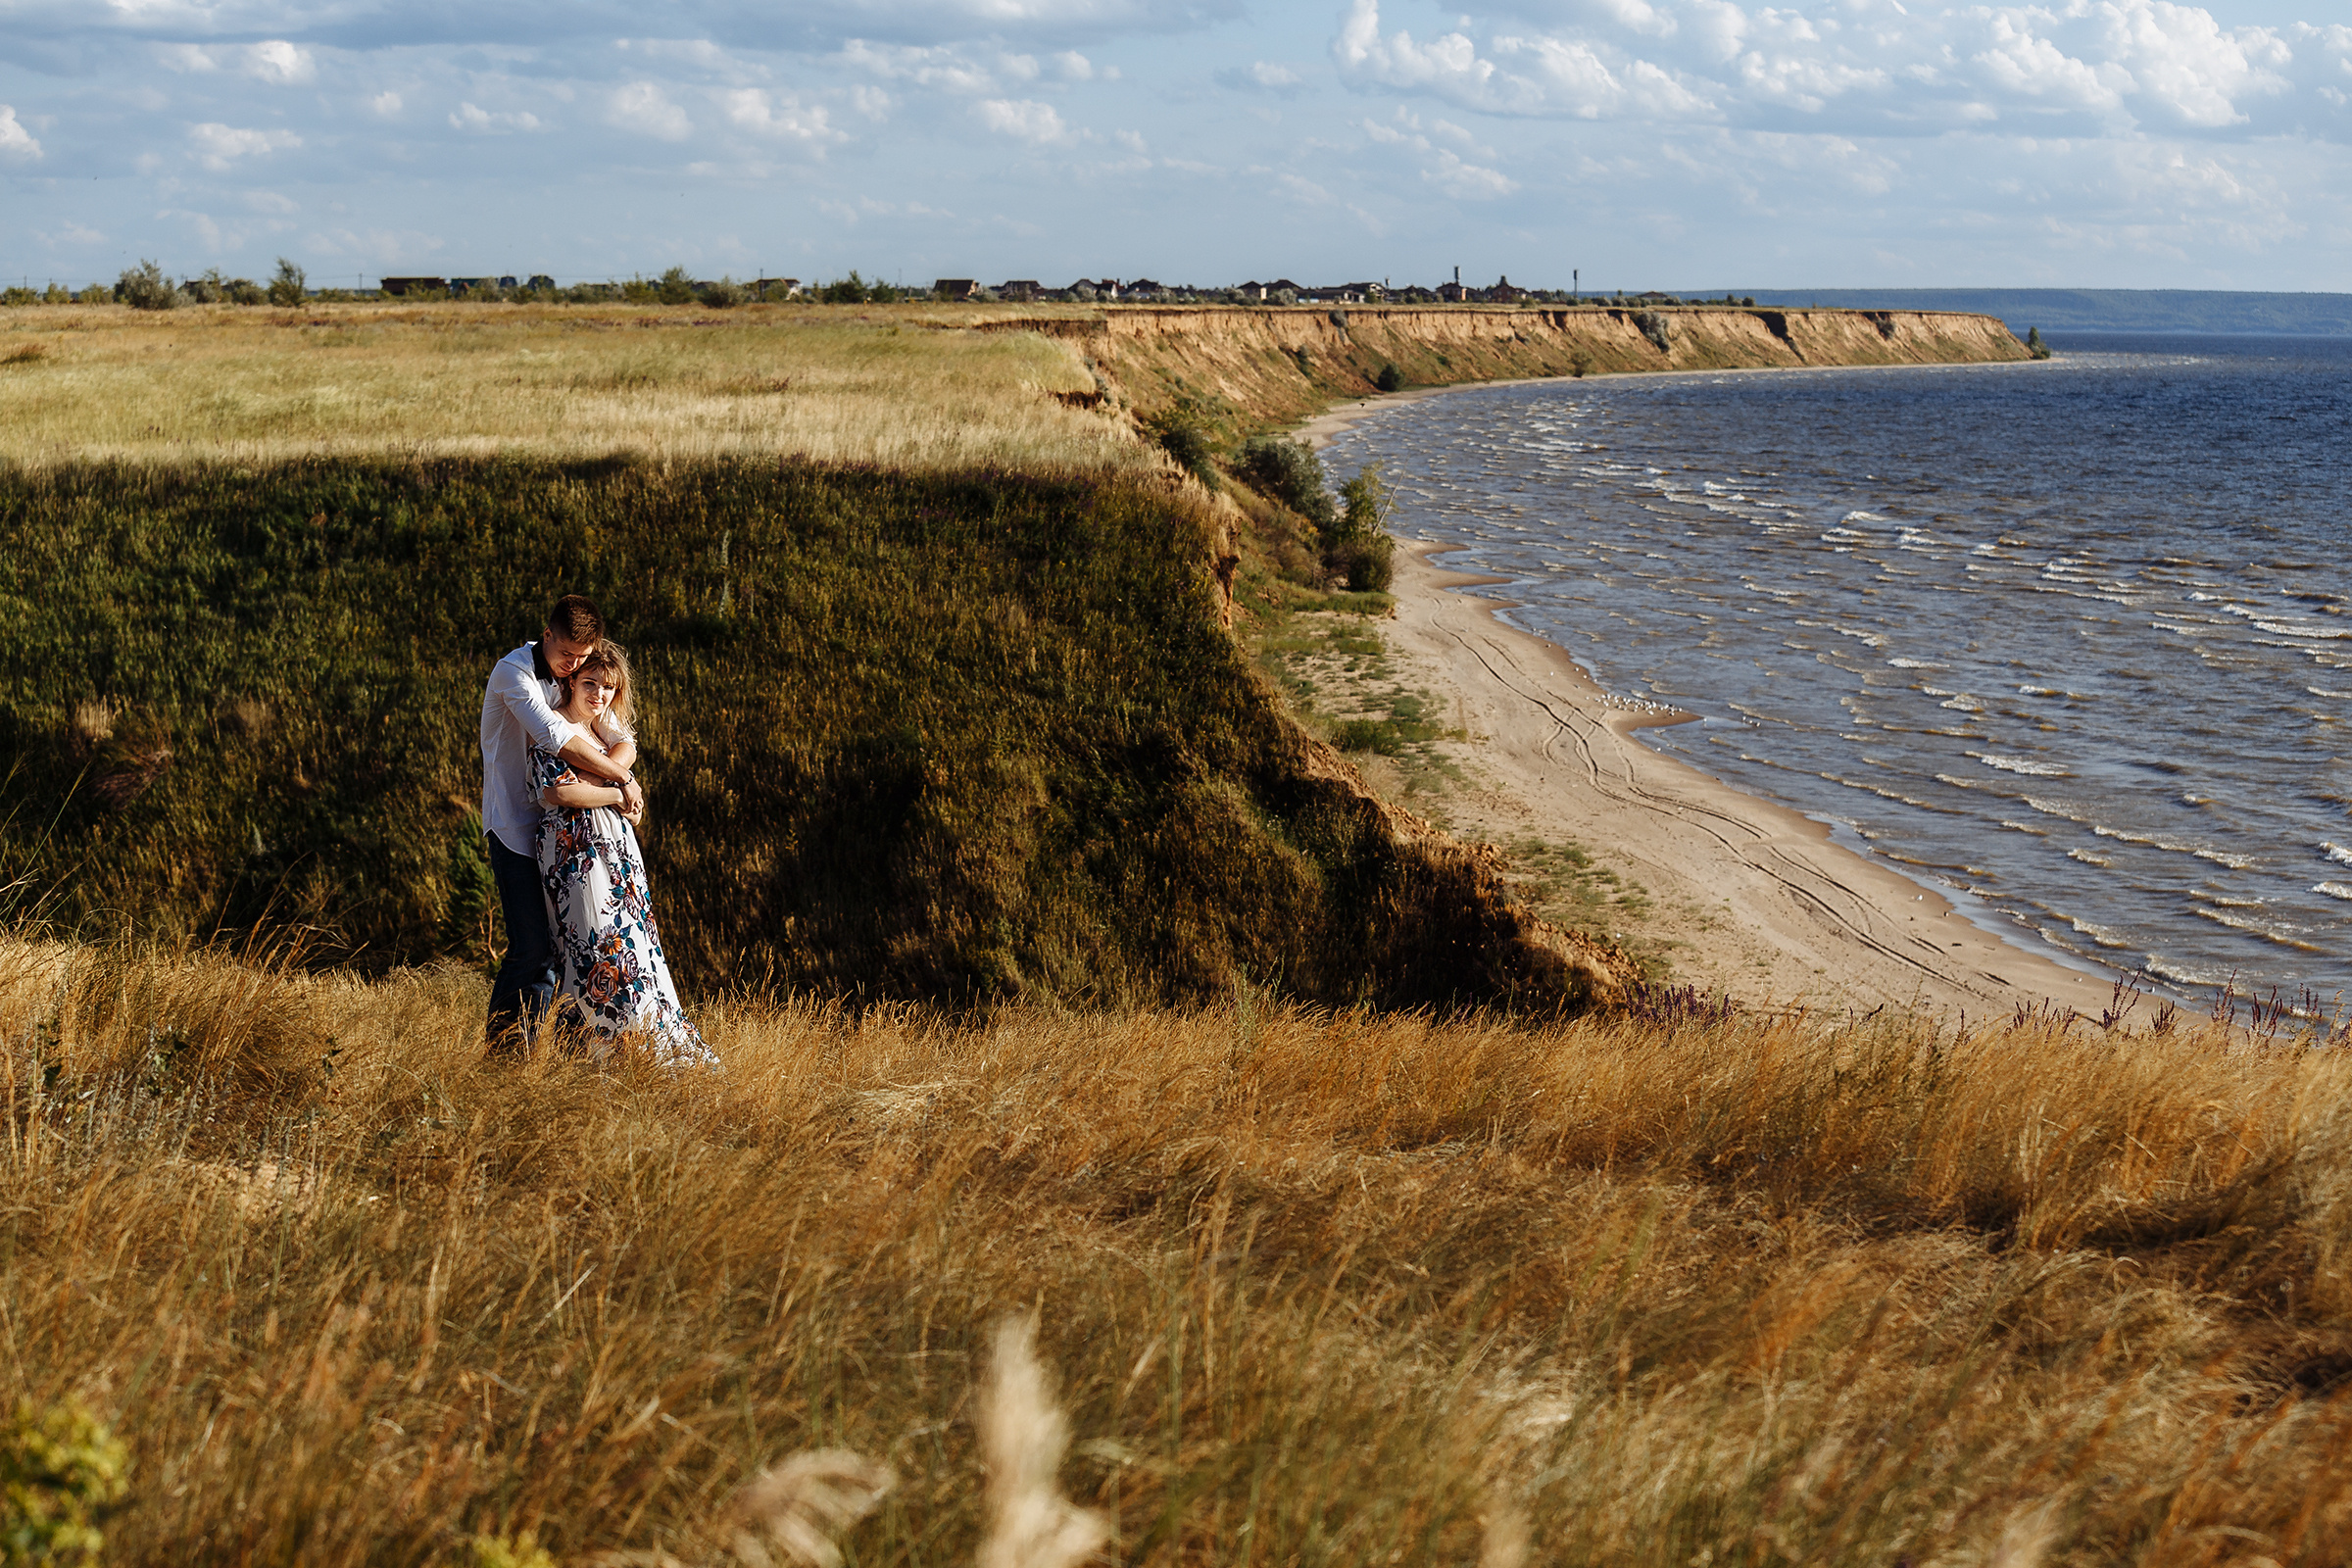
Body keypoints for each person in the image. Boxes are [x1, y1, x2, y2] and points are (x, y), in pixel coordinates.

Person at [529, 642, 716, 1068]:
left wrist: (608, 780)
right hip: (575, 853)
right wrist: (617, 790)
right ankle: (600, 1055)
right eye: (590, 683)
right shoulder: (552, 729)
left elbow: (618, 757)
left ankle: (637, 1054)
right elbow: (558, 791)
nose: (598, 695)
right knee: (594, 950)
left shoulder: (604, 734)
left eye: (607, 688)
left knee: (636, 949)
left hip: (616, 850)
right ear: (571, 681)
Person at [479, 594, 642, 1054]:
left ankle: (558, 1058)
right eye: (567, 654)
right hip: (515, 828)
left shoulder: (573, 675)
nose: (573, 666)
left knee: (568, 952)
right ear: (547, 634)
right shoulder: (514, 673)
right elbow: (558, 739)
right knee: (531, 949)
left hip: (564, 841)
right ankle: (504, 1058)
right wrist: (622, 782)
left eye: (583, 658)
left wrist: (617, 772)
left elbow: (618, 733)